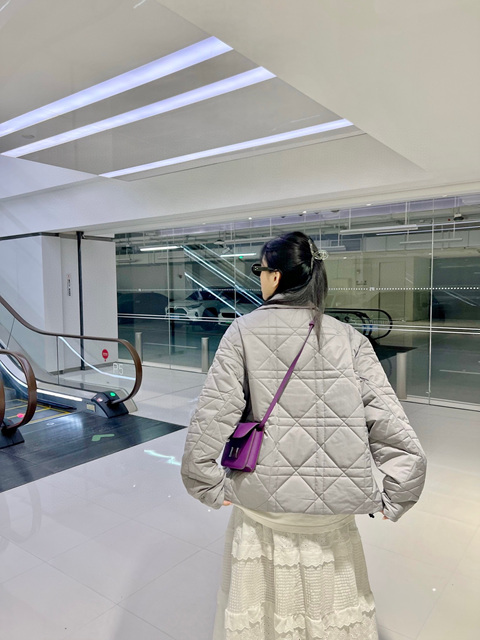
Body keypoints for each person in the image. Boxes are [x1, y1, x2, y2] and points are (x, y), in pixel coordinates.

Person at [181, 231, 427, 640]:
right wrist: (399, 491)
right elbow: (389, 420)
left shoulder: (242, 332)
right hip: (333, 511)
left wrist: (204, 482)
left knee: (265, 612)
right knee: (329, 610)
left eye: (260, 270)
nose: (261, 277)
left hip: (262, 504)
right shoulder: (350, 339)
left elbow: (212, 415)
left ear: (275, 276)